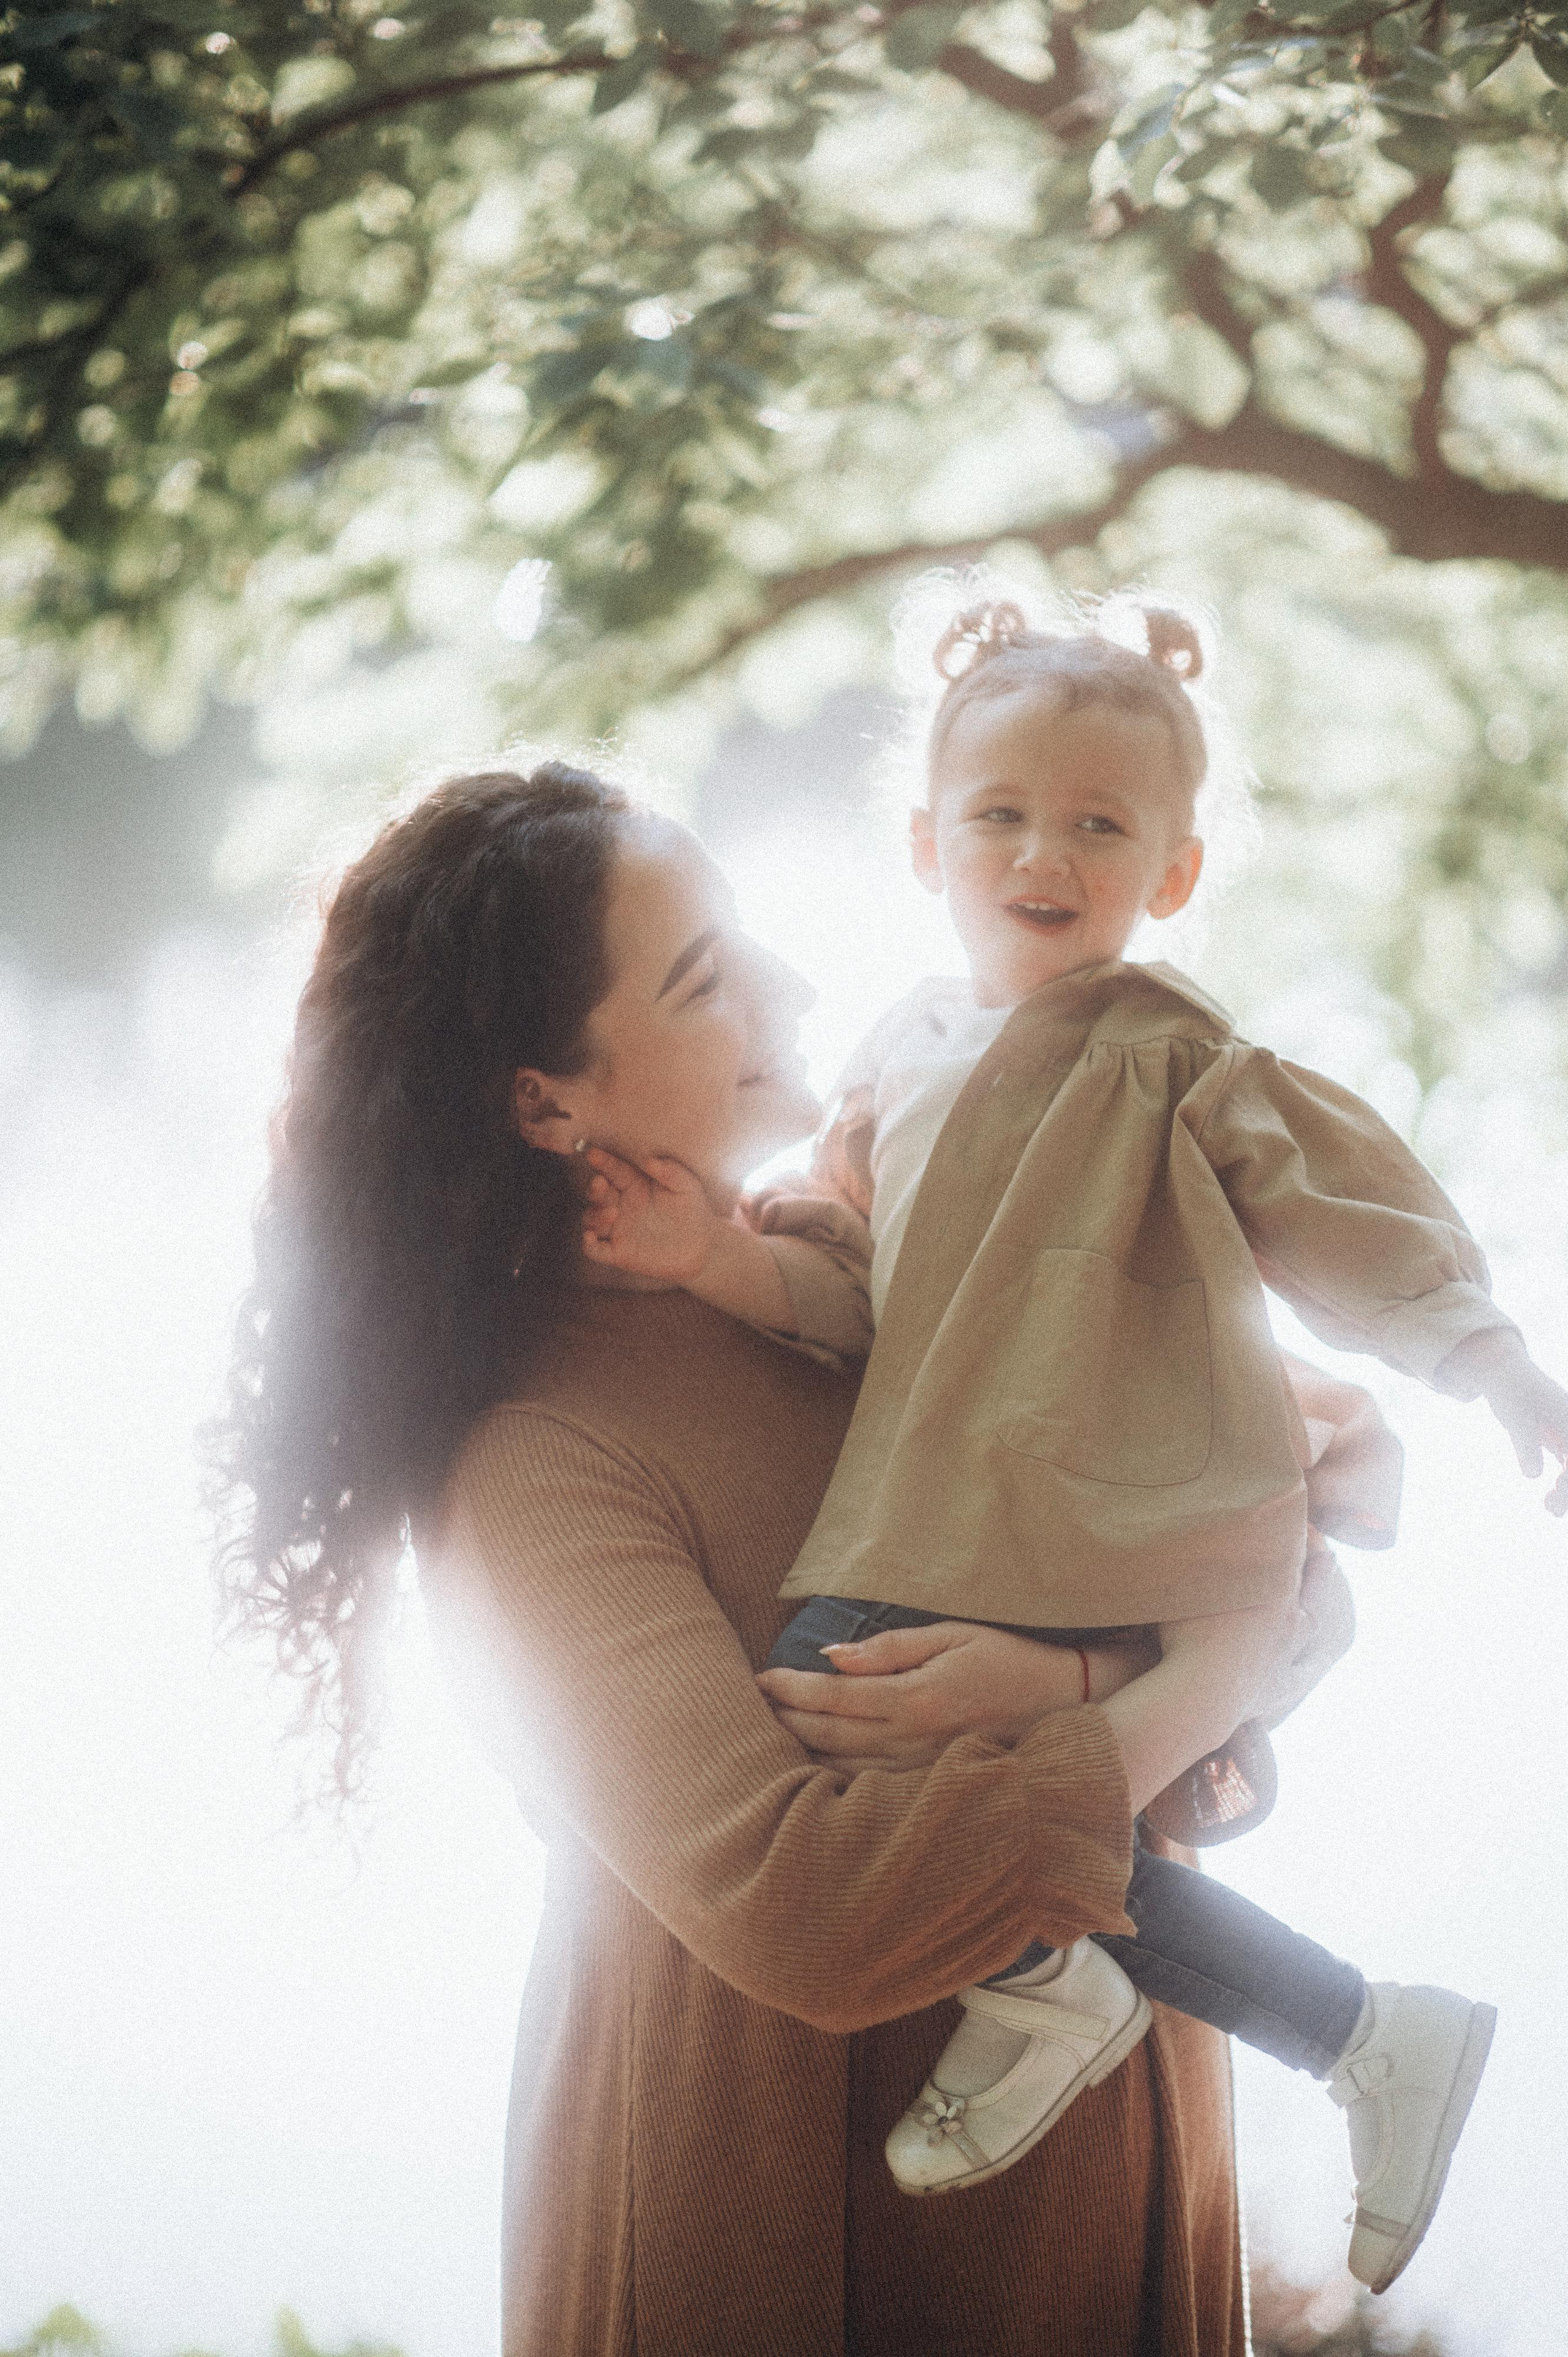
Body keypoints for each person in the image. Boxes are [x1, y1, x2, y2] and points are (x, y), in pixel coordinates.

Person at [211, 758, 1364, 2357]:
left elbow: (1283, 1541)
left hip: (1116, 2162)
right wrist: (1188, 1686)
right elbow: (805, 1909)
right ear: (546, 1100)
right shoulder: (535, 1459)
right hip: (783, 2197)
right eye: (705, 980)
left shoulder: (861, 1265)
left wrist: (1096, 1674)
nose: (793, 988)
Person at [575, 594, 1568, 2294]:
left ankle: (1101, 1978)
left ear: (1171, 872)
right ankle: (1324, 2023)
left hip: (1125, 1515)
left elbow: (1349, 1211)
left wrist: (1496, 1367)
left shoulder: (1175, 1059)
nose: (1047, 853)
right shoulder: (901, 1057)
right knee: (840, 1705)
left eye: (1102, 825)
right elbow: (853, 1292)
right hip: (978, 1512)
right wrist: (711, 1258)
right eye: (1004, 815)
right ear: (926, 842)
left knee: (834, 1692)